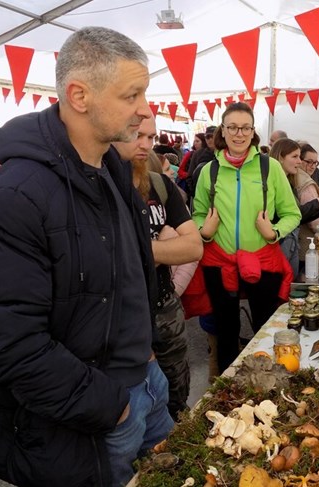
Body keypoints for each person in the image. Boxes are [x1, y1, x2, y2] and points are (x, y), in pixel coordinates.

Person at [0, 27, 174, 487]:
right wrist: (109, 406)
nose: (145, 109)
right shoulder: (18, 195)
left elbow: (125, 278)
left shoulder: (112, 169)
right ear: (79, 95)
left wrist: (146, 351)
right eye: (132, 94)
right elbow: (4, 342)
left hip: (147, 383)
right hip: (95, 416)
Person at [189, 102, 301, 373]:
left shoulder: (270, 168)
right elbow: (197, 213)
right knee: (226, 331)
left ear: (253, 132)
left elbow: (292, 214)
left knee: (266, 328)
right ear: (223, 132)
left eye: (245, 128)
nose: (239, 134)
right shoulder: (209, 171)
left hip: (263, 260)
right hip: (220, 262)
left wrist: (273, 232)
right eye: (233, 128)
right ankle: (231, 396)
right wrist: (204, 230)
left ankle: (271, 389)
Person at [114, 116, 203, 422]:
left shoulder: (160, 185)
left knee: (177, 396)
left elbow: (194, 248)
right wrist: (166, 244)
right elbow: (105, 258)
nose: (145, 145)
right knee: (133, 406)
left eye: (151, 137)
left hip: (164, 307)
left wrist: (143, 250)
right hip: (120, 313)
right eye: (137, 135)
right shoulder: (102, 188)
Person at [270, 138, 319, 277]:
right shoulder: (273, 183)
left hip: (291, 244)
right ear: (281, 158)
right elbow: (287, 215)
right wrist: (316, 205)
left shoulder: (290, 181)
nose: (299, 161)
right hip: (281, 244)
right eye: (295, 156)